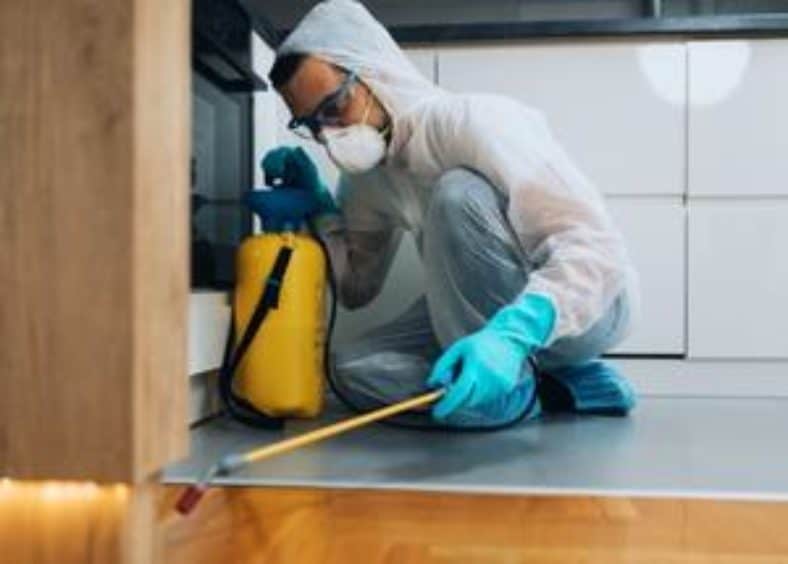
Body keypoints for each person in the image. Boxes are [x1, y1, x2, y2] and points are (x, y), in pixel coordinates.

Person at [262, 0, 640, 429]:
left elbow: (595, 246)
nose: (329, 136)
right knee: (350, 370)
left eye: (334, 108)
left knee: (456, 192)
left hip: (582, 310)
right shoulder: (367, 179)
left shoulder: (473, 122)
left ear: (373, 72)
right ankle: (557, 388)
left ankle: (508, 387)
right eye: (311, 125)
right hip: (477, 316)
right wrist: (321, 208)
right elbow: (356, 289)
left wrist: (514, 333)